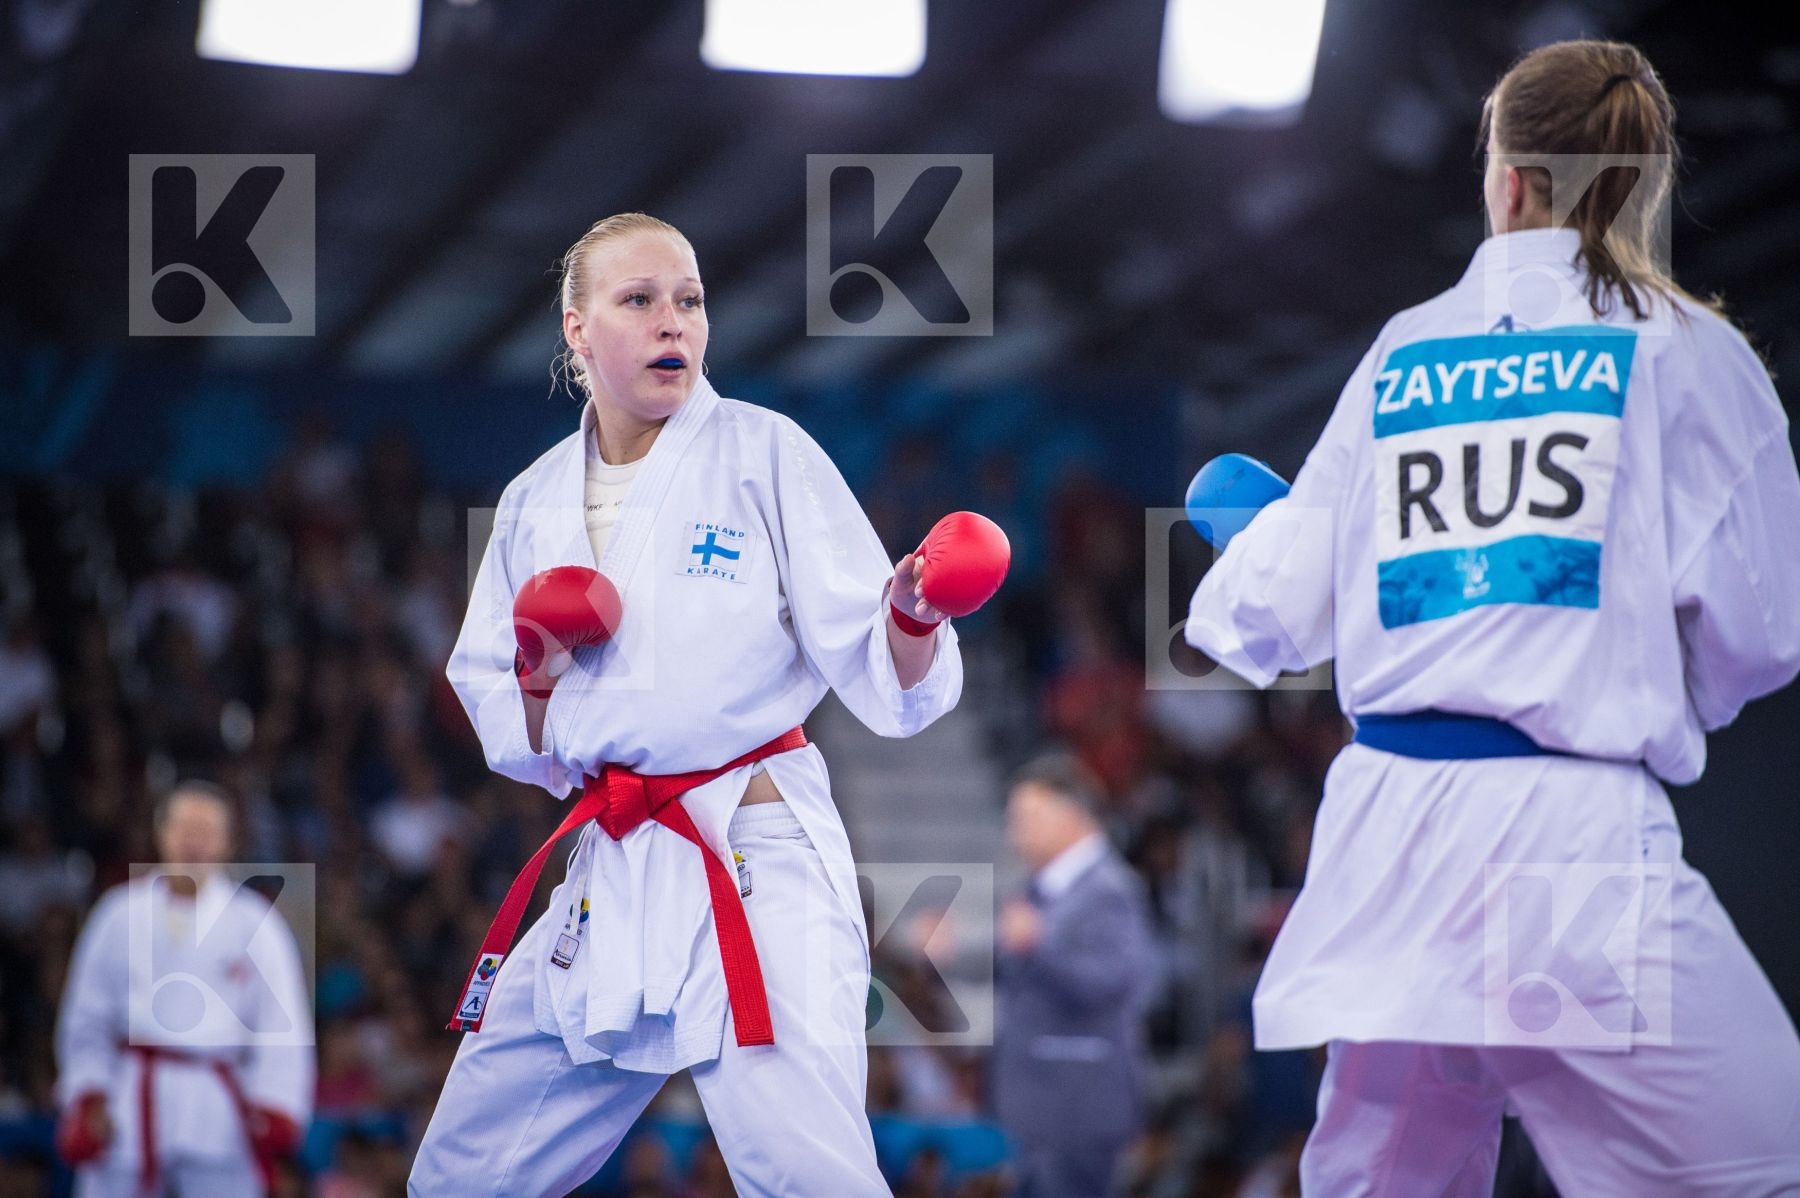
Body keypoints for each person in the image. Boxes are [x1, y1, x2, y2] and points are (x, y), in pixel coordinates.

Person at [1183, 39, 1800, 1197]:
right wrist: (1644, 672)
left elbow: (1275, 615)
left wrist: (1249, 537)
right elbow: (1762, 632)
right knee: (1759, 1164)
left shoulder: (1406, 353)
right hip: (1561, 851)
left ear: (1506, 179)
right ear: (1640, 187)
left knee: (1390, 1180)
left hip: (1392, 844)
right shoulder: (1691, 354)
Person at [411, 212, 1007, 1196]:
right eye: (639, 300)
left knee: (806, 1173)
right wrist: (540, 669)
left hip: (755, 858)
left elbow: (881, 668)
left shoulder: (763, 453)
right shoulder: (532, 500)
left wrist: (911, 611)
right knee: (462, 1172)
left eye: (688, 301)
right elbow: (506, 727)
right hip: (615, 861)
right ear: (577, 328)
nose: (671, 323)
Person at [53, 780, 315, 1198]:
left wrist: (276, 1106)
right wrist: (88, 1092)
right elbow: (87, 1017)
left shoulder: (255, 923)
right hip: (127, 1103)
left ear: (229, 842)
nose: (195, 844)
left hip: (219, 1114)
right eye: (184, 830)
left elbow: (282, 1027)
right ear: (161, 835)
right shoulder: (117, 914)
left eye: (207, 832)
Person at [992, 754, 1157, 1198]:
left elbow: (1113, 980)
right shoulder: (1036, 890)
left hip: (1077, 1104)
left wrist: (1037, 945)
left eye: (1029, 816)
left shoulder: (1111, 889)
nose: (1016, 829)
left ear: (1072, 816)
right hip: (1040, 1104)